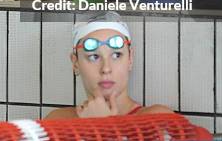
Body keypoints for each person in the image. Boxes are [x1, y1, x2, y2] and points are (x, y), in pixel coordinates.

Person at [45, 12, 173, 119]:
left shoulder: (157, 119)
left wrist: (100, 125)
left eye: (116, 55)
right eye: (94, 57)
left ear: (130, 59)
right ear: (75, 63)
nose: (106, 68)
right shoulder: (58, 121)